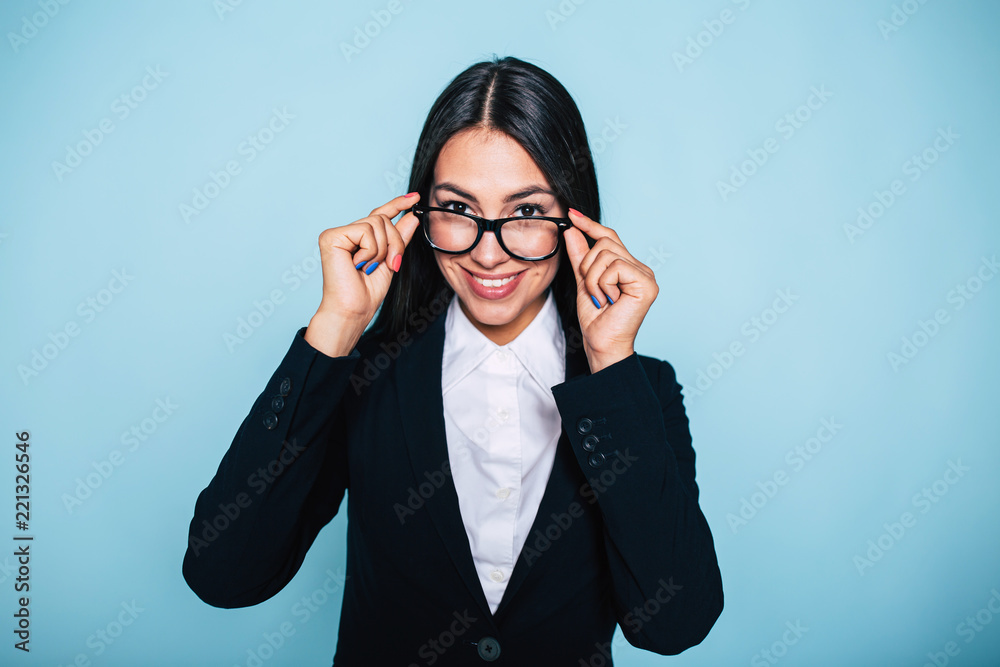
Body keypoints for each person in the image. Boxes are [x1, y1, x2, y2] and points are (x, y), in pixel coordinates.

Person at [182, 55, 723, 666]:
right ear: (420, 215)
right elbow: (225, 574)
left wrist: (609, 364)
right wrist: (334, 328)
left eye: (525, 212)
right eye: (459, 209)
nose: (488, 254)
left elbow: (675, 623)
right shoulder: (365, 374)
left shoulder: (637, 387)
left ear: (575, 221)